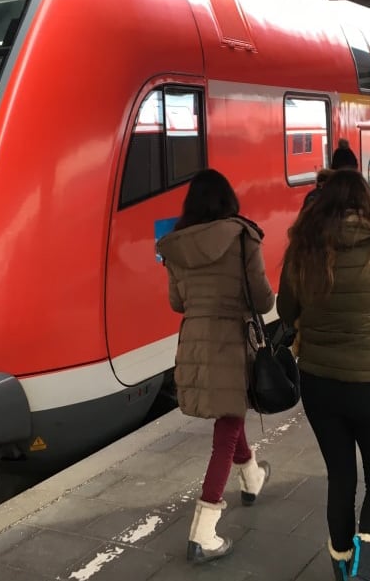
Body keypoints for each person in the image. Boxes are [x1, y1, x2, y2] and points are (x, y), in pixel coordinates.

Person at [277, 169, 370, 581]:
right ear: (367, 200)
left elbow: (285, 312)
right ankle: (366, 572)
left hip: (319, 384)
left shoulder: (302, 248)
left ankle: (344, 568)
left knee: (341, 476)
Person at [155, 168, 275, 565]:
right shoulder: (242, 237)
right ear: (228, 201)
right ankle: (203, 532)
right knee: (226, 432)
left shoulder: (175, 246)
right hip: (231, 343)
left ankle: (252, 477)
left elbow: (178, 303)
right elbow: (261, 300)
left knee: (229, 416)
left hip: (194, 340)